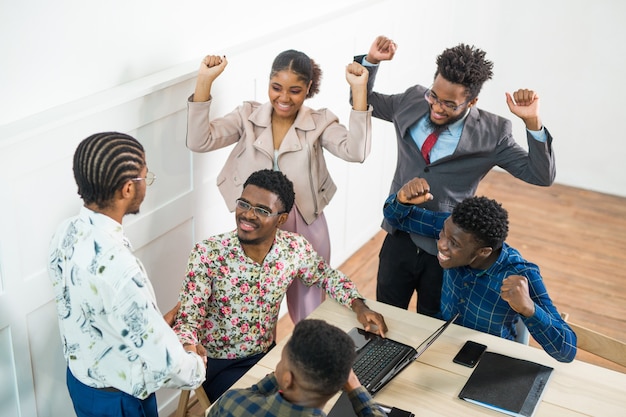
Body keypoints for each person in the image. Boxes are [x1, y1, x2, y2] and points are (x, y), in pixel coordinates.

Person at [354, 36, 556, 317]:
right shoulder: (412, 99)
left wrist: (532, 122)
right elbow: (363, 100)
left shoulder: (493, 133)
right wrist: (371, 62)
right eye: (434, 96)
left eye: (449, 104)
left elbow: (540, 174)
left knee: (433, 324)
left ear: (472, 101)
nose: (436, 107)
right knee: (386, 314)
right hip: (398, 234)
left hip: (447, 247)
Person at [186, 49, 372, 324]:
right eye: (276, 88)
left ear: (308, 88)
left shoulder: (320, 122)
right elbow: (199, 141)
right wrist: (205, 81)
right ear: (268, 83)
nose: (284, 98)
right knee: (252, 311)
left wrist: (359, 92)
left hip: (304, 223)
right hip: (255, 225)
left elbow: (355, 152)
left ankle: (308, 364)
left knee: (309, 312)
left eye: (295, 90)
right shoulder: (246, 116)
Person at [173, 169, 388, 402]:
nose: (248, 214)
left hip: (268, 357)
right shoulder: (208, 253)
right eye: (244, 204)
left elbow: (326, 276)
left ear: (282, 219)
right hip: (219, 366)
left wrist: (359, 306)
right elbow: (187, 319)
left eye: (262, 210)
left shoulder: (293, 248)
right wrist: (188, 345)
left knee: (321, 392)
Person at [47, 132, 207, 417]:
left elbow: (90, 308)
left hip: (81, 381)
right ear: (127, 189)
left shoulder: (66, 231)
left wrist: (150, 323)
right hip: (120, 401)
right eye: (145, 177)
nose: (147, 184)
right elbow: (171, 365)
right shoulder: (121, 269)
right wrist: (193, 359)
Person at [382, 177, 576, 362]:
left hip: (489, 358)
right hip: (443, 342)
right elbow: (396, 218)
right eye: (442, 234)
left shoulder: (521, 274)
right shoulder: (456, 228)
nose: (441, 245)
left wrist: (529, 309)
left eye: (454, 244)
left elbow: (567, 351)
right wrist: (401, 200)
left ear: (483, 252)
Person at [207, 319, 386, 417]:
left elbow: (252, 394)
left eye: (281, 360)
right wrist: (354, 387)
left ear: (287, 379)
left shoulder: (231, 402)